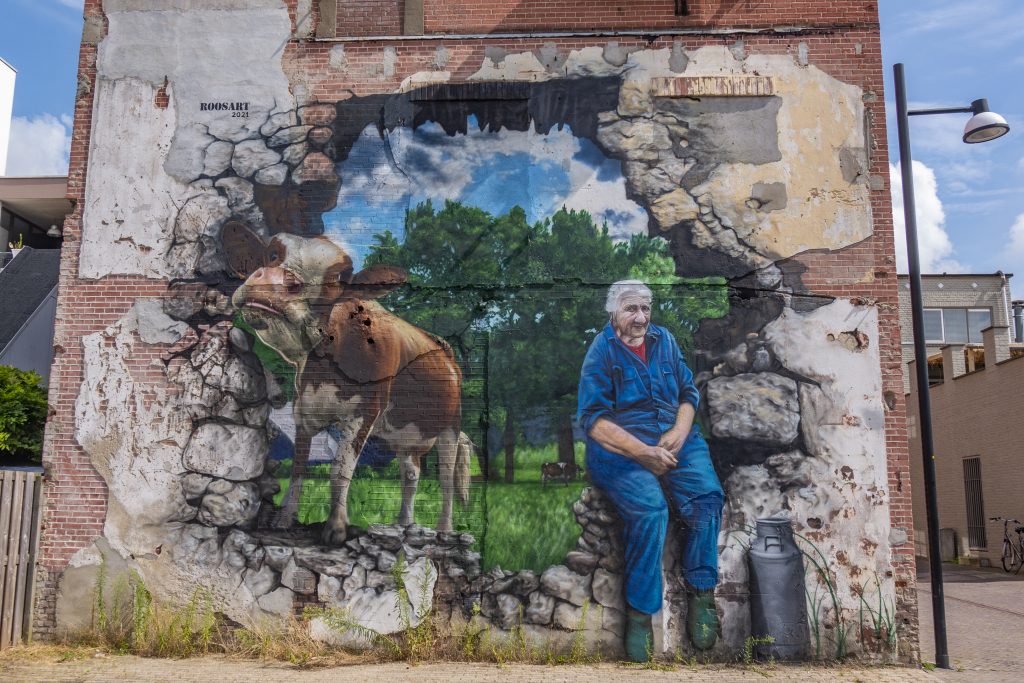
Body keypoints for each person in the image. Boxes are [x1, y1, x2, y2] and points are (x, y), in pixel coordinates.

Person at [577, 280, 724, 660]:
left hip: (675, 438)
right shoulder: (601, 351)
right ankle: (641, 615)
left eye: (645, 308)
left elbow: (688, 394)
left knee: (706, 498)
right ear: (614, 312)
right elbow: (593, 422)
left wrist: (679, 430)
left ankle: (701, 591)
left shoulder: (665, 340)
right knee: (651, 510)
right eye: (631, 309)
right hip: (620, 449)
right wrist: (643, 453)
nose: (641, 317)